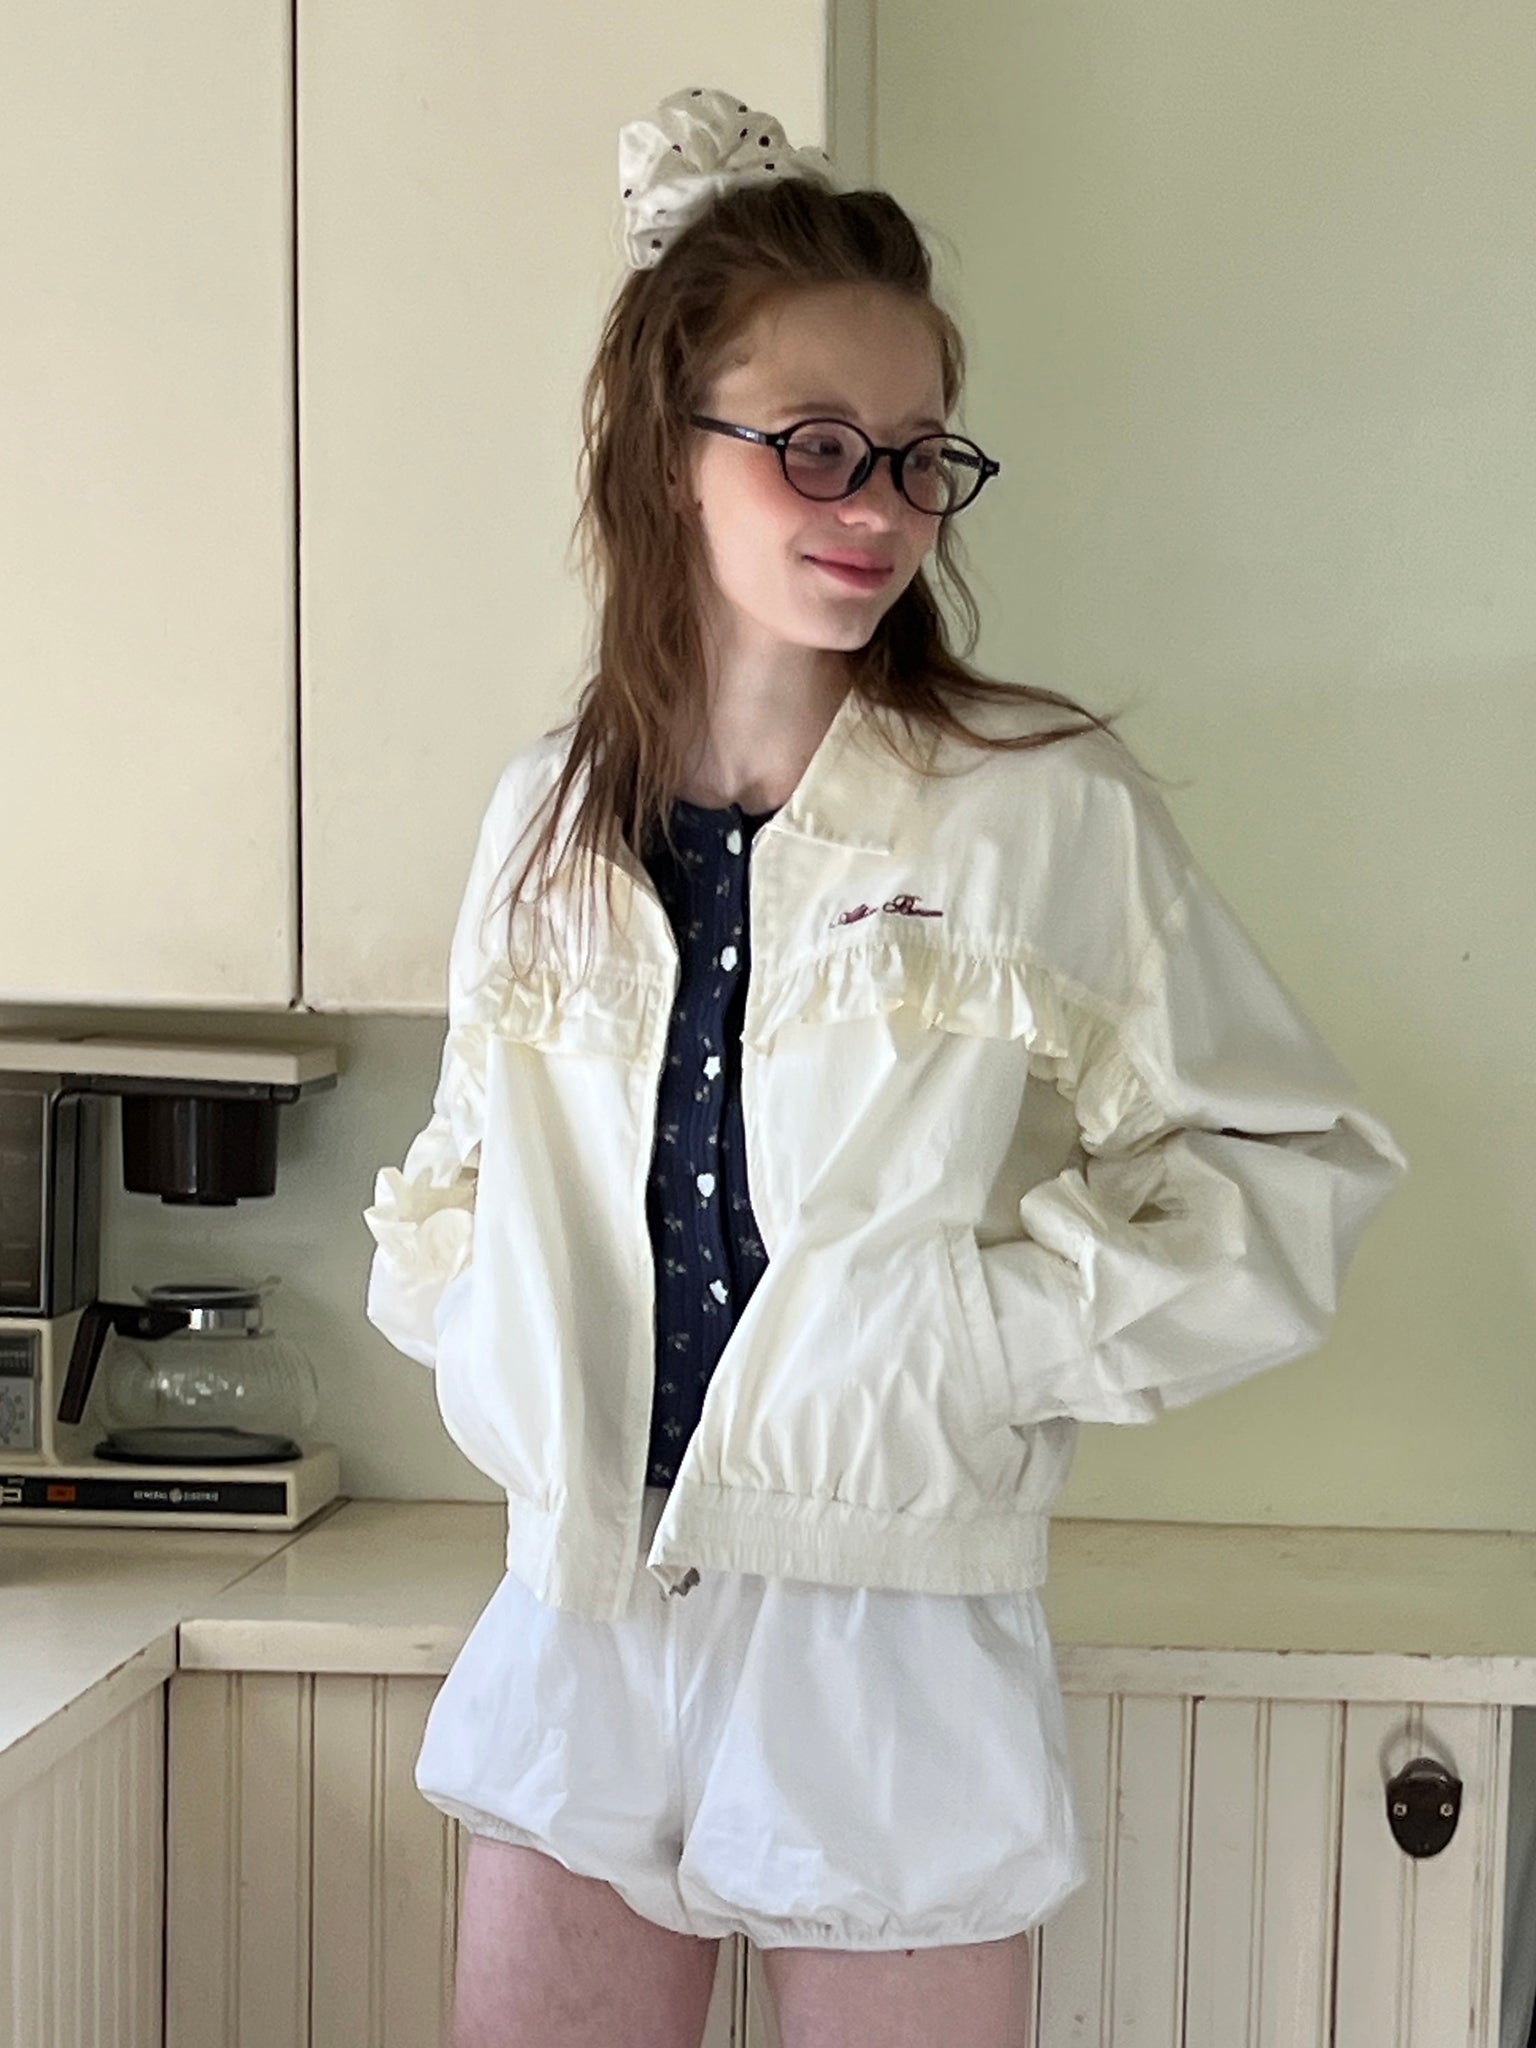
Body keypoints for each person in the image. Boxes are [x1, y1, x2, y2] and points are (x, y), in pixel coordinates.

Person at [362, 84, 1410, 2048]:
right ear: (667, 447)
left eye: (921, 459)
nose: (878, 510)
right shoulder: (544, 816)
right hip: (580, 1611)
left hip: (887, 1632)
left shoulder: (1030, 808)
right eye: (817, 446)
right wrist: (507, 1350)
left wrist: (971, 1343)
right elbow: (454, 1178)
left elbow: (1280, 1164)